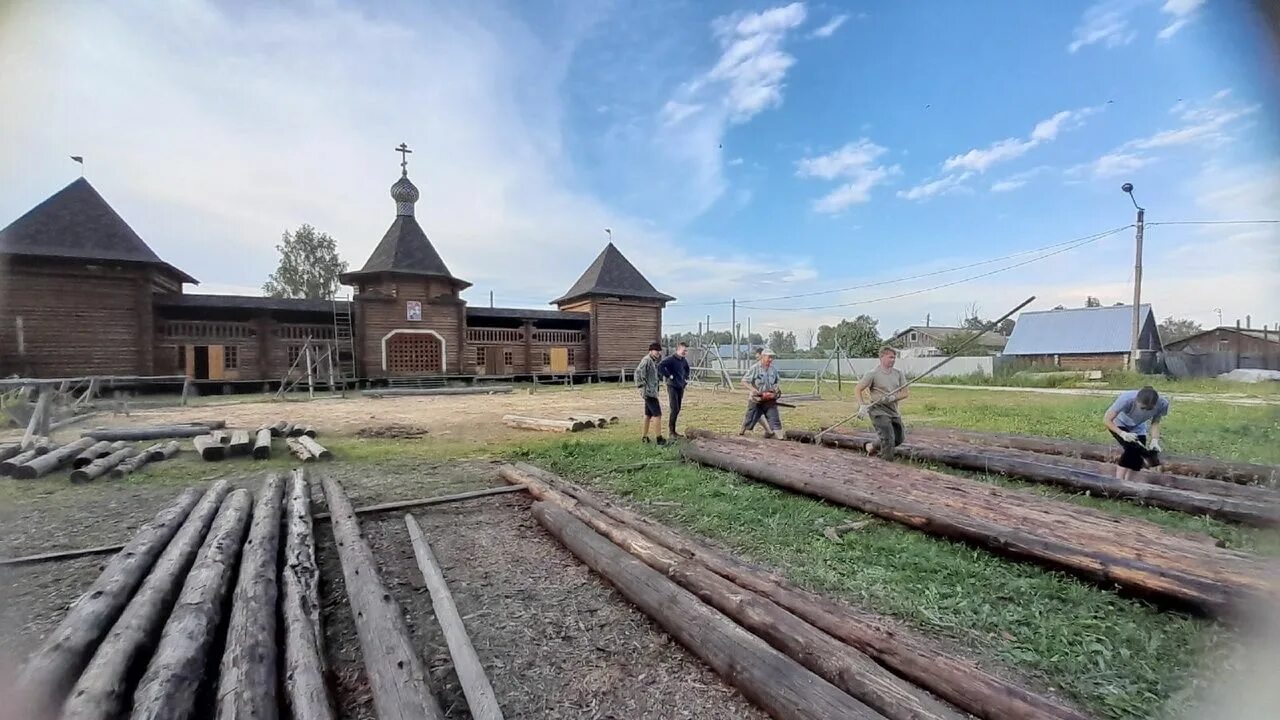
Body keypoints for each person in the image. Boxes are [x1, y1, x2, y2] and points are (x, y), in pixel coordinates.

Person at [1104, 385, 1169, 481]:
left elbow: (1155, 423)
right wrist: (1123, 434)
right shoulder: (1126, 399)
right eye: (1143, 408)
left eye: (1149, 409)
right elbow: (1107, 420)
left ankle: (1129, 483)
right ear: (1136, 401)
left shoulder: (1163, 404)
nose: (1146, 411)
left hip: (1138, 426)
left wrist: (1155, 440)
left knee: (1138, 455)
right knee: (1131, 449)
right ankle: (1118, 482)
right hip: (1118, 423)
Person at [855, 346, 909, 460]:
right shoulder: (873, 374)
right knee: (888, 439)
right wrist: (862, 405)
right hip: (877, 410)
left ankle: (871, 446)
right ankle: (885, 464)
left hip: (893, 410)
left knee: (898, 438)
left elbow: (905, 393)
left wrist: (892, 398)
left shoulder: (898, 374)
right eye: (890, 357)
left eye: (894, 358)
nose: (893, 360)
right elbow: (858, 389)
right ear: (882, 357)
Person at [739, 349, 784, 438]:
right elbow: (744, 381)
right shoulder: (755, 368)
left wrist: (776, 388)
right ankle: (741, 435)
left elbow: (776, 382)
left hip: (769, 399)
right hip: (757, 399)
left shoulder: (773, 370)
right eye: (769, 357)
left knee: (775, 419)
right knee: (750, 418)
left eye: (772, 357)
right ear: (763, 357)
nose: (771, 359)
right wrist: (753, 389)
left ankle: (781, 438)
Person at [635, 342, 666, 445]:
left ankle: (644, 437)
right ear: (651, 351)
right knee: (658, 415)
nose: (658, 353)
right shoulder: (646, 361)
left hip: (651, 392)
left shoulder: (652, 361)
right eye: (656, 351)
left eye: (659, 351)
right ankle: (659, 438)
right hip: (649, 393)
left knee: (648, 415)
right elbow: (638, 373)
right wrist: (642, 387)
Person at [659, 342, 690, 438]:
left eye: (686, 351)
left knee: (678, 408)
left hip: (680, 386)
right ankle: (671, 431)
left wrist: (685, 378)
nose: (685, 352)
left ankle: (674, 431)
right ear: (678, 350)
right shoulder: (671, 359)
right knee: (674, 408)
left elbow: (687, 369)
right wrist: (669, 375)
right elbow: (660, 366)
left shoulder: (683, 360)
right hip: (672, 386)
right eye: (684, 350)